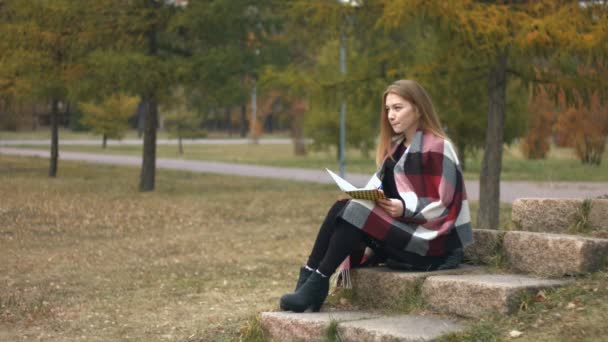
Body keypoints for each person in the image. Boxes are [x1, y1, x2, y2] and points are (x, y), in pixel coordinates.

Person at [279, 79, 473, 313]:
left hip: (433, 245)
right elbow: (377, 190)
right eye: (388, 109)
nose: (391, 115)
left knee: (354, 211)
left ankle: (315, 285)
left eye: (398, 108)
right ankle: (309, 281)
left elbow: (444, 203)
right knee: (342, 206)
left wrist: (404, 208)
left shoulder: (439, 146)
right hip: (405, 235)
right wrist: (365, 196)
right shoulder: (395, 148)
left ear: (419, 108)